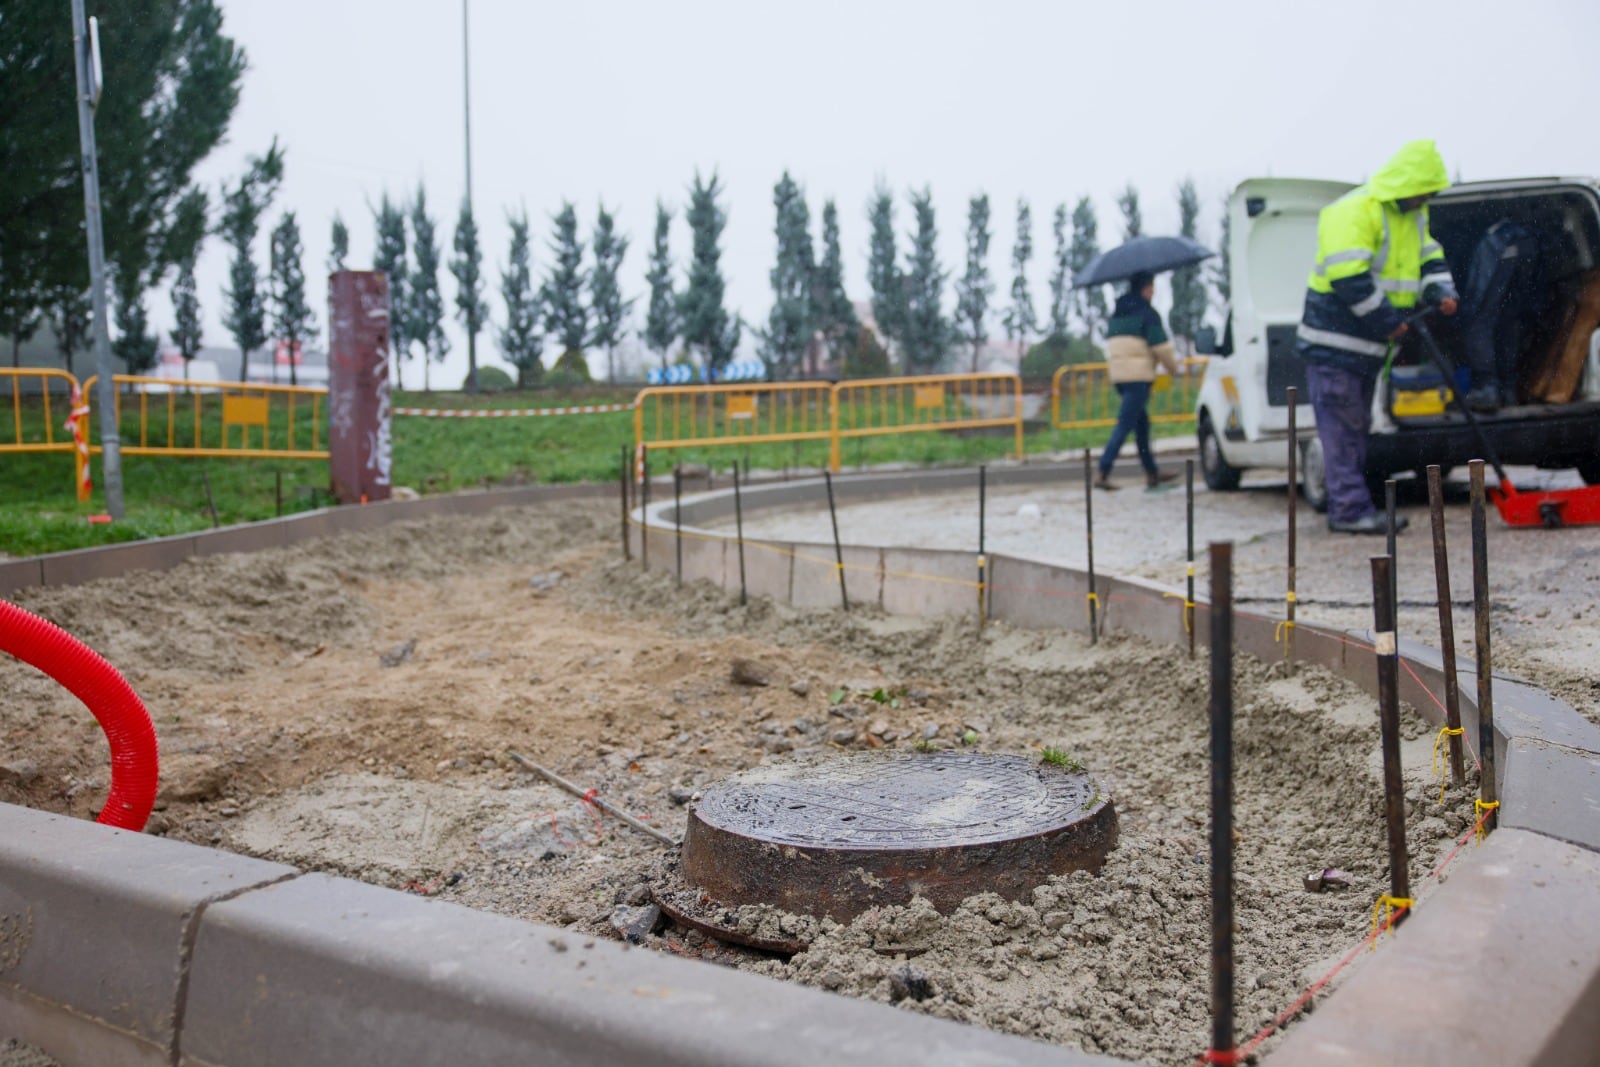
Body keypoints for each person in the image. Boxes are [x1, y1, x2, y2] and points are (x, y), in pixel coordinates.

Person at [1296, 139, 1460, 535]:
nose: (1429, 198)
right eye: (1427, 189)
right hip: (1334, 344)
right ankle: (1349, 511)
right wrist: (1390, 322)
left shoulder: (1411, 215)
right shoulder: (1355, 210)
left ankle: (1353, 505)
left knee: (1354, 428)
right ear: (1410, 183)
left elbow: (1429, 257)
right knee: (1342, 430)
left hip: (1366, 346)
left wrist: (1442, 290)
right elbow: (1348, 277)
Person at [1096, 270, 1181, 490]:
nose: (1153, 291)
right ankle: (1102, 471)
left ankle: (1152, 473)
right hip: (1138, 376)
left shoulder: (1118, 313)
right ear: (1146, 287)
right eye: (1152, 287)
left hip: (1119, 377)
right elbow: (1161, 347)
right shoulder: (1147, 313)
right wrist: (1175, 369)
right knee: (1125, 424)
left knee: (1141, 425)